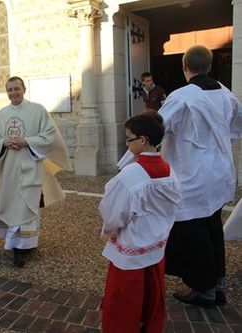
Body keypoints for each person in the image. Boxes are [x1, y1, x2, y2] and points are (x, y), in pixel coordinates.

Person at [160, 45, 242, 308]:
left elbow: (156, 128)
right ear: (210, 66)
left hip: (192, 174)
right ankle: (217, 284)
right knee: (212, 227)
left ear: (185, 66)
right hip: (219, 171)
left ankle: (204, 289)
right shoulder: (226, 93)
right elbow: (237, 126)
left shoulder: (182, 95)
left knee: (192, 233)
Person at [99, 111, 181, 333]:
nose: (127, 144)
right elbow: (173, 208)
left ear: (143, 140)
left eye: (129, 138)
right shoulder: (169, 170)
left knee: (124, 304)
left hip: (131, 251)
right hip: (156, 248)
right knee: (151, 299)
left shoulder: (131, 175)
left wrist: (110, 229)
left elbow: (113, 214)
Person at [0, 76, 72, 268]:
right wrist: (3, 142)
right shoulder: (1, 114)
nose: (13, 93)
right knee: (10, 203)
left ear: (23, 89)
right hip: (8, 168)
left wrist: (27, 141)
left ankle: (23, 247)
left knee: (26, 203)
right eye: (9, 90)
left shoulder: (37, 110)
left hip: (30, 167)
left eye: (16, 88)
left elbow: (50, 136)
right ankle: (16, 246)